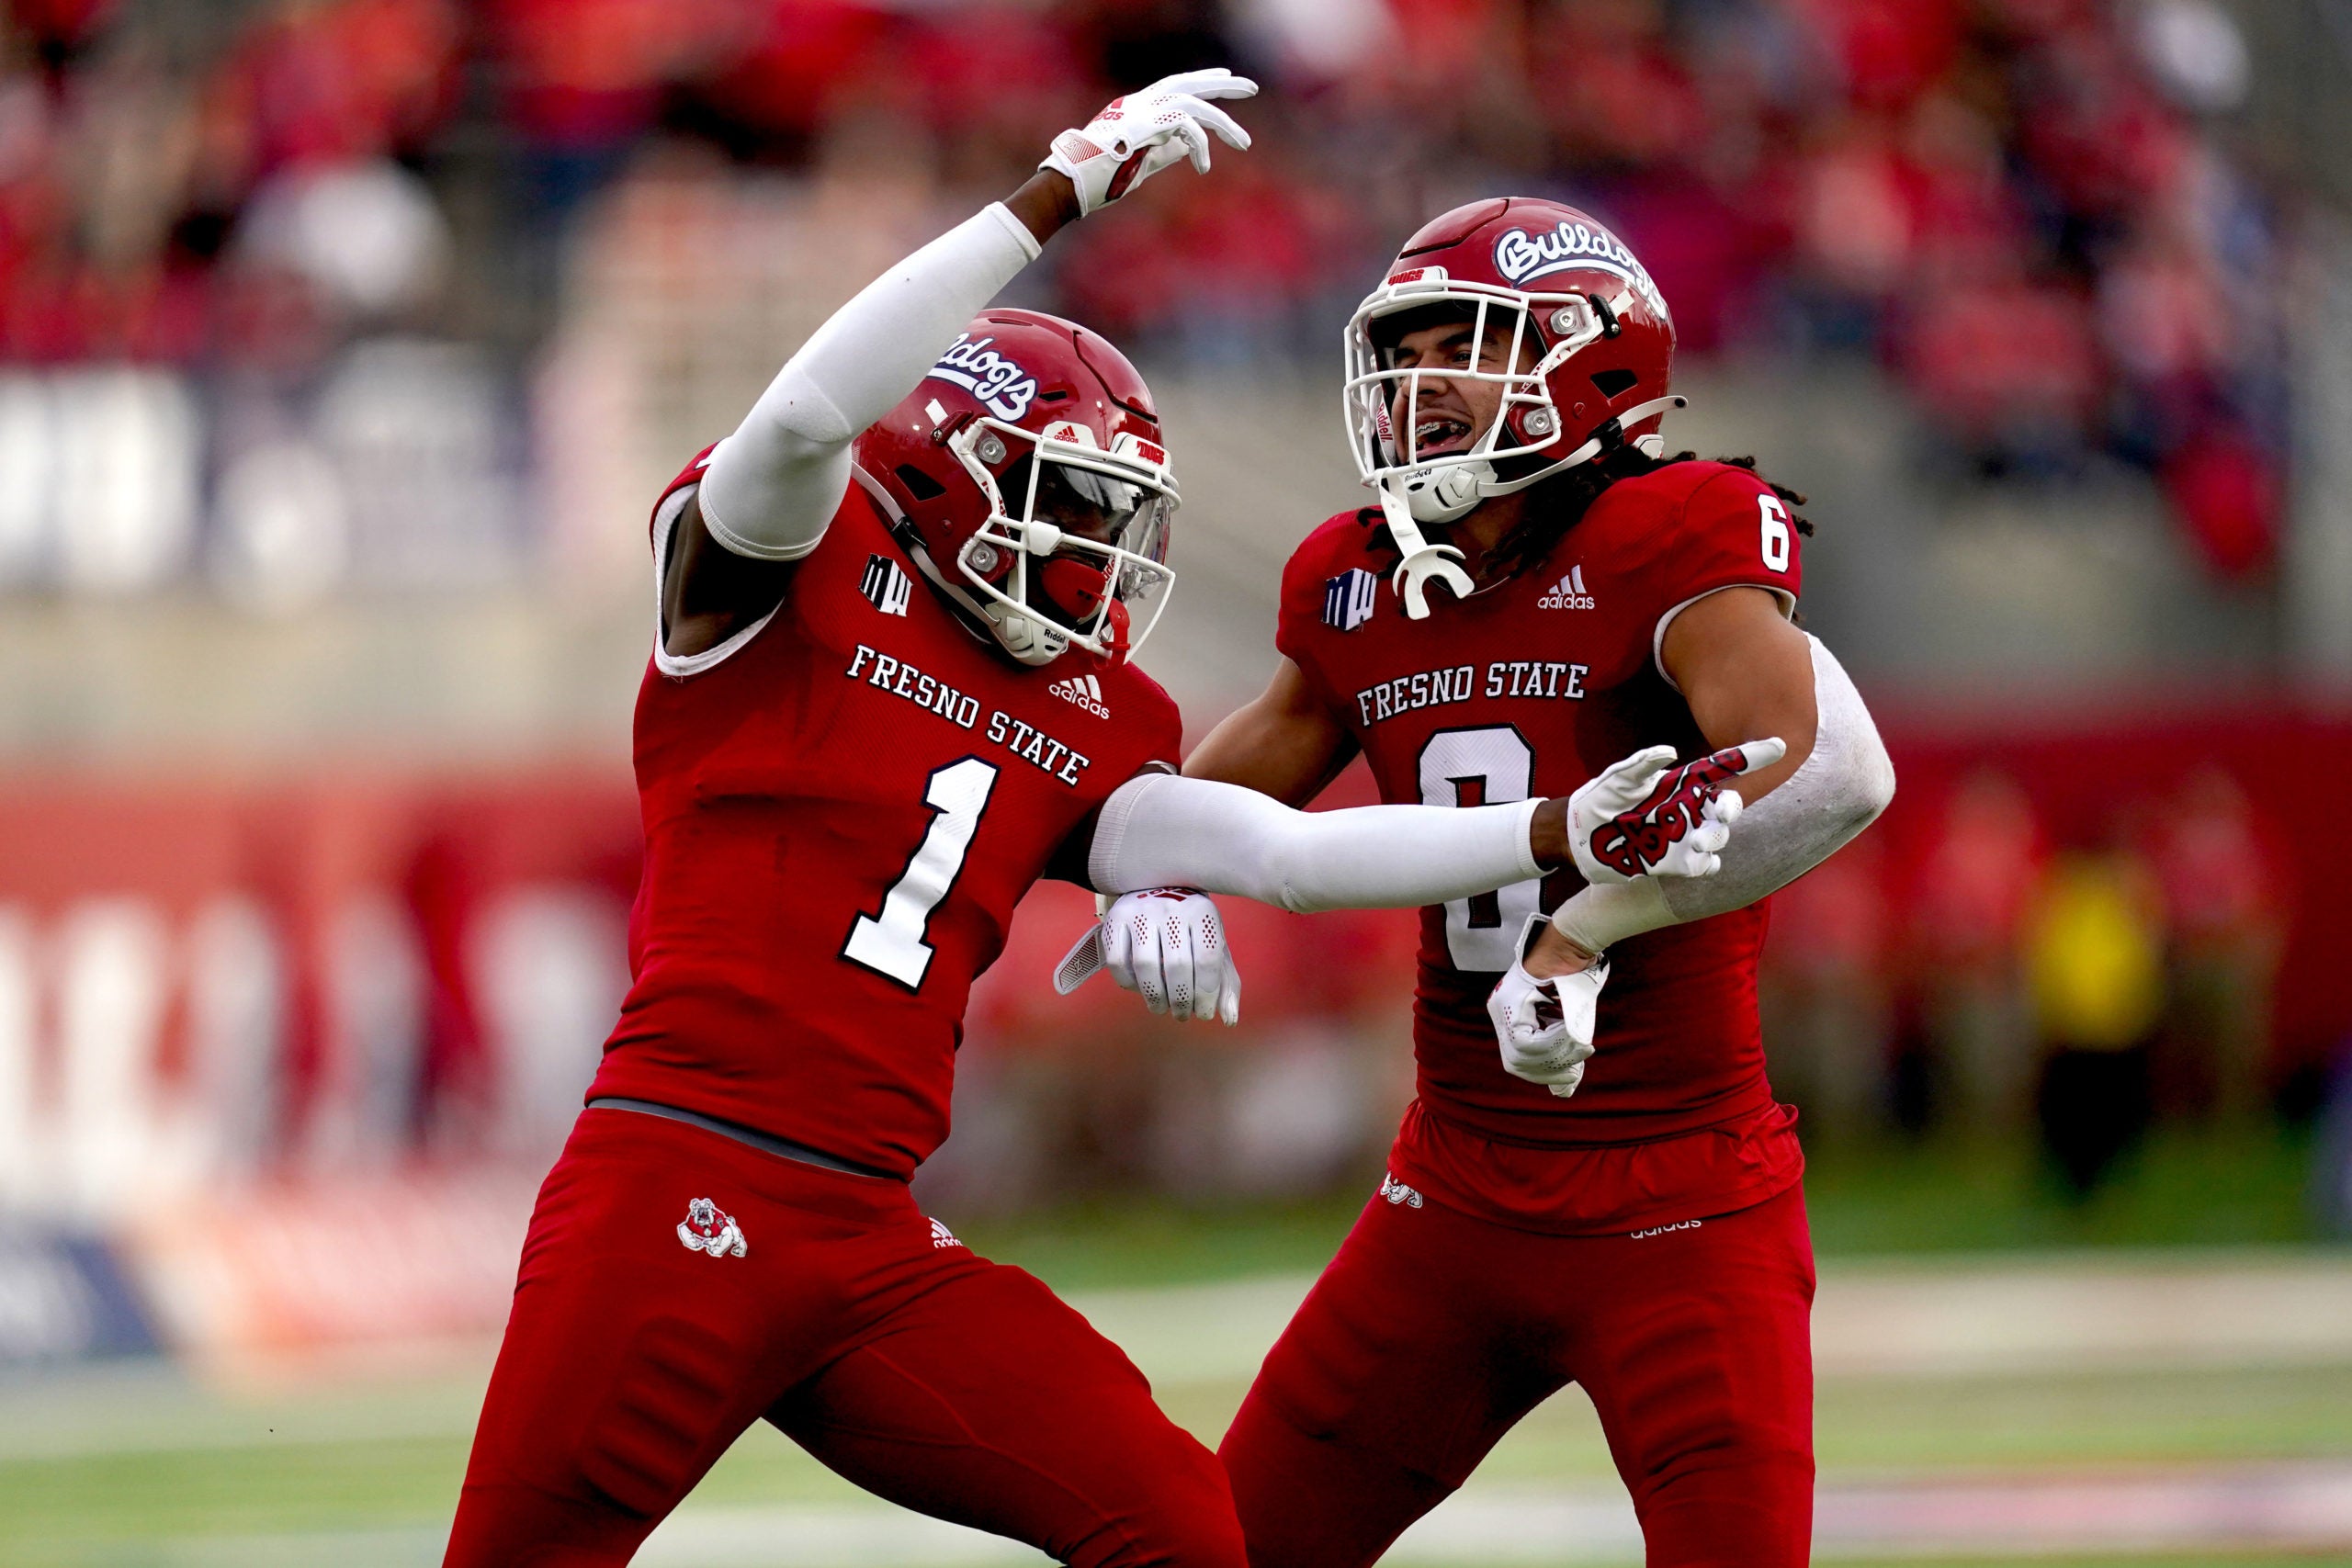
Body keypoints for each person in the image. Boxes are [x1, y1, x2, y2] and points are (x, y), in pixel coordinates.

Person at [444, 92, 1729, 1567]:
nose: (1104, 562)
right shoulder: (785, 581)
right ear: (952, 465)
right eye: (1078, 505)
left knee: (1178, 1525)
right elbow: (803, 413)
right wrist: (1051, 197)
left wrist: (1563, 825)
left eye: (1125, 521)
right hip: (675, 1184)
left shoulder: (1094, 713)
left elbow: (1288, 856)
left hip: (866, 1239)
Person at [1080, 197, 1896, 1567]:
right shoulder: (1354, 578)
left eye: (1466, 340)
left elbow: (1797, 763)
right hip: (1453, 1198)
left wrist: (1588, 925)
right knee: (1229, 1550)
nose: (1418, 385)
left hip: (1685, 1199)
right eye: (1405, 352)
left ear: (1590, 356)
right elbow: (1200, 806)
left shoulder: (1678, 528)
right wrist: (1149, 878)